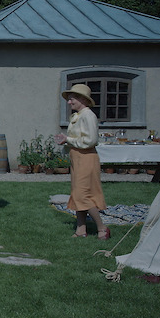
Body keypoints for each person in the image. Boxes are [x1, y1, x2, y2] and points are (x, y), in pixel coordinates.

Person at [55, 84, 109, 239]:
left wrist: (68, 139)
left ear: (82, 99)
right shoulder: (78, 115)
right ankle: (81, 229)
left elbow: (91, 140)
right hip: (77, 157)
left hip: (86, 157)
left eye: (72, 99)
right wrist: (66, 141)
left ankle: (102, 228)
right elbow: (79, 138)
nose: (69, 102)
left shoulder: (88, 115)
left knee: (82, 194)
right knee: (77, 193)